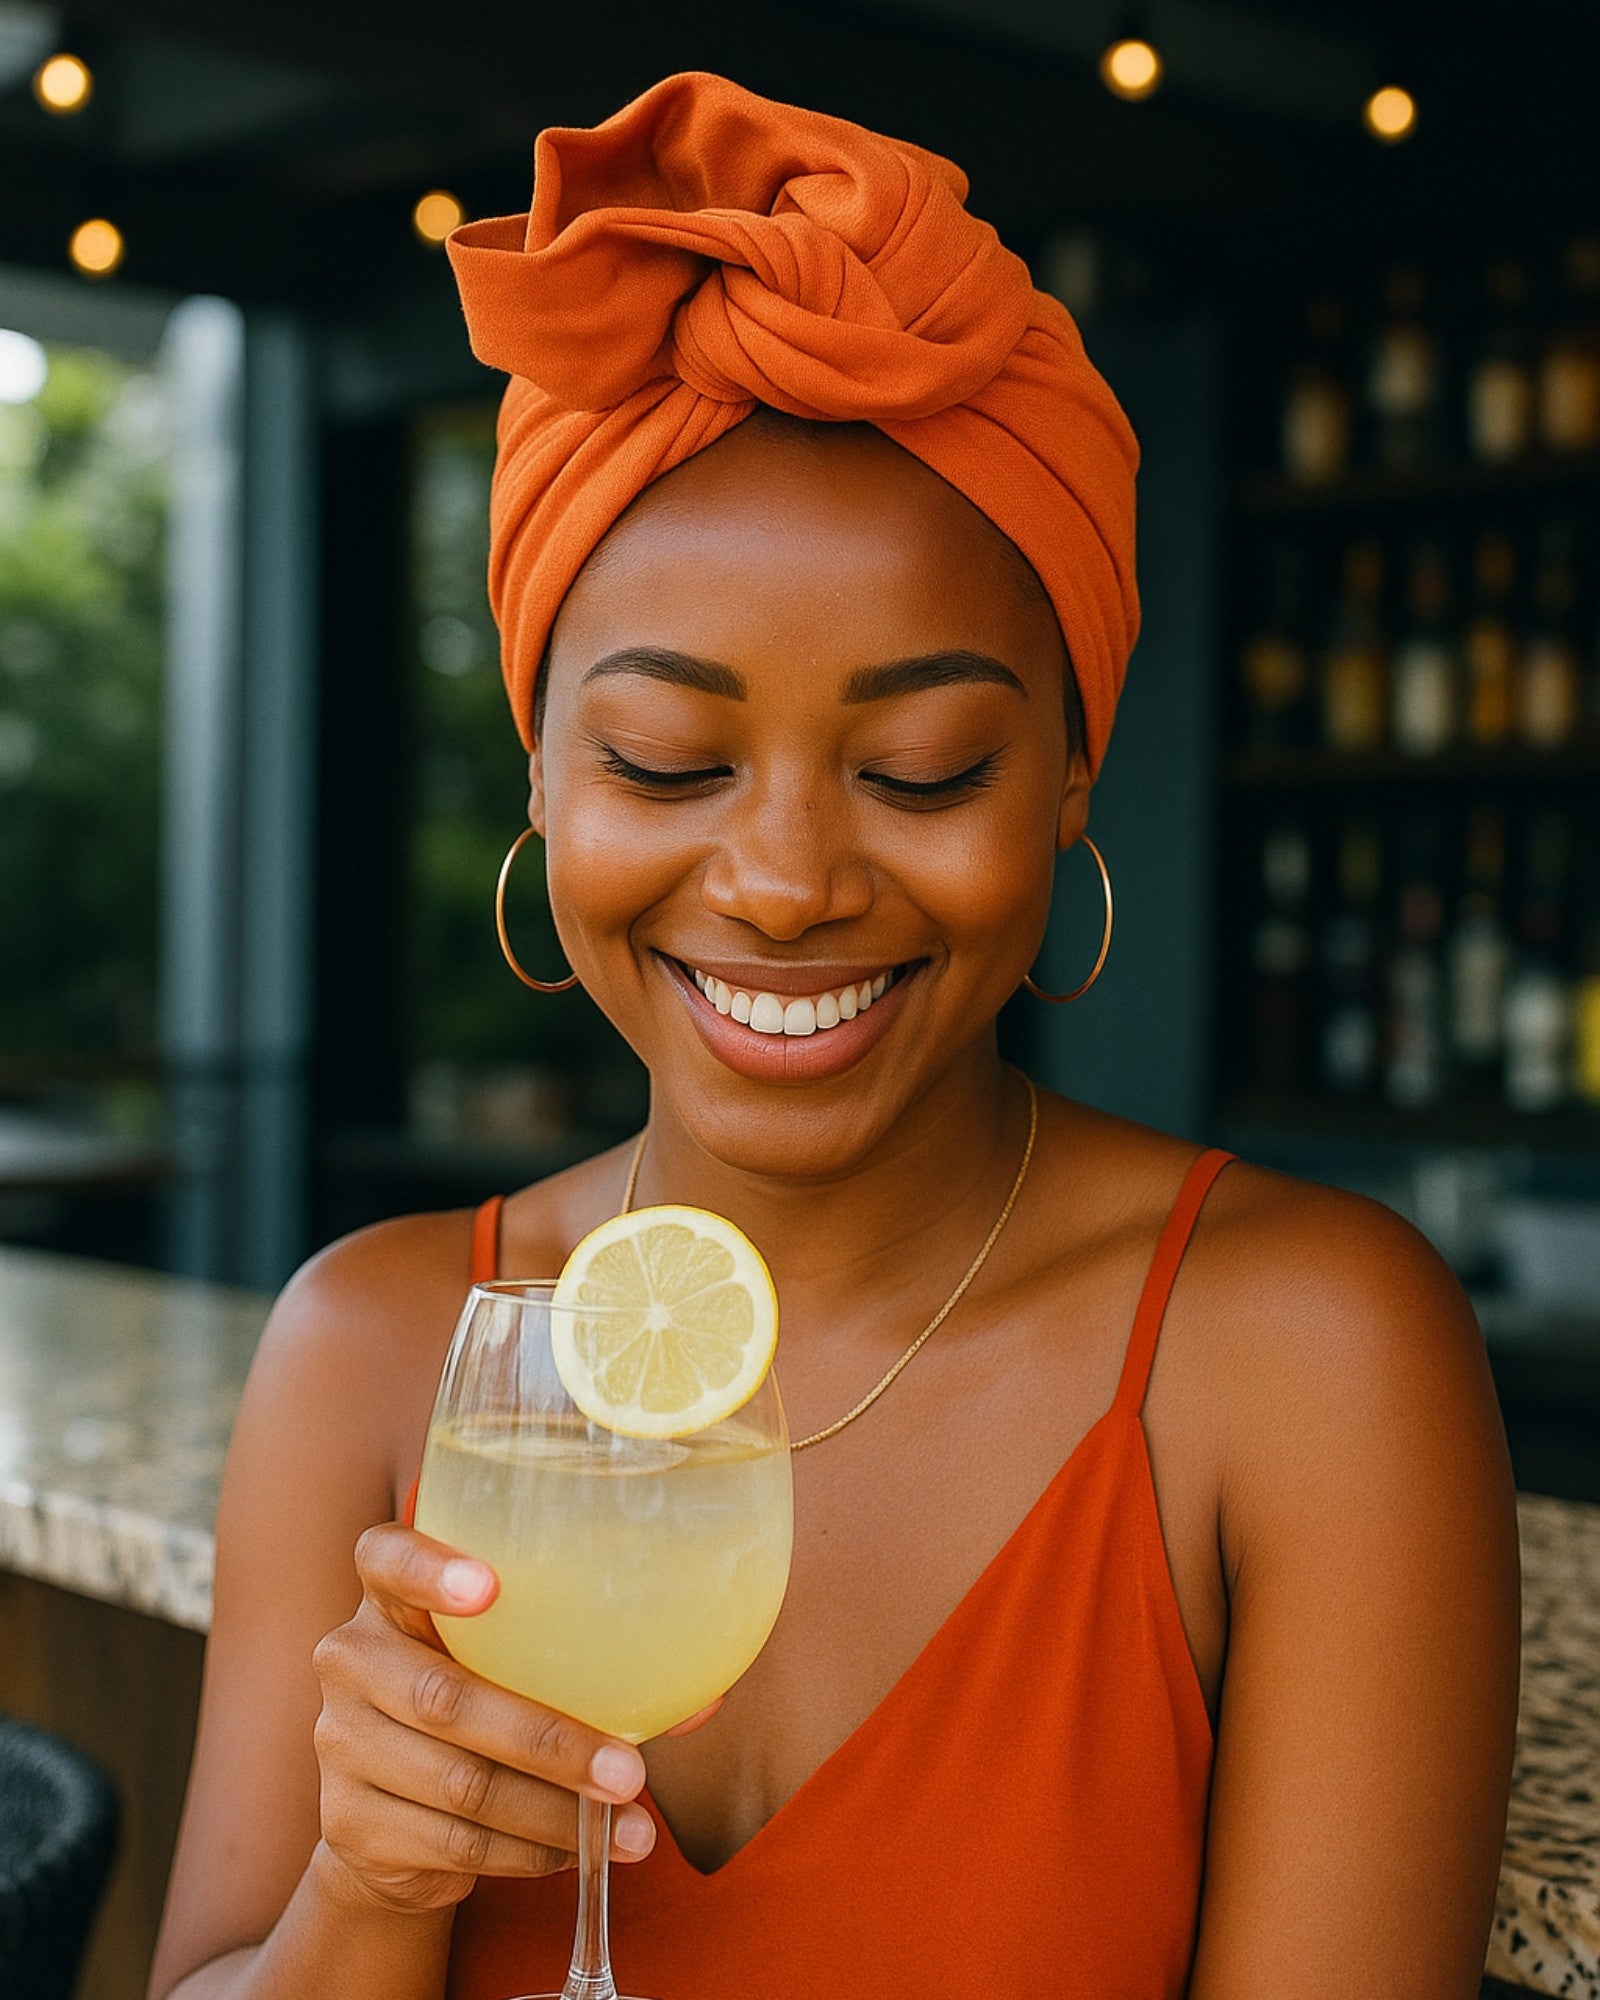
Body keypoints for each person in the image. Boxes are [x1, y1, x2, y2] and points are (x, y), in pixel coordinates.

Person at [147, 73, 1519, 2000]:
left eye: (921, 765)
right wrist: (372, 1889)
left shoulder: (1299, 1356)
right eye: (668, 760)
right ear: (546, 785)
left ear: (1065, 782)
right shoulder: (378, 1351)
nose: (785, 880)